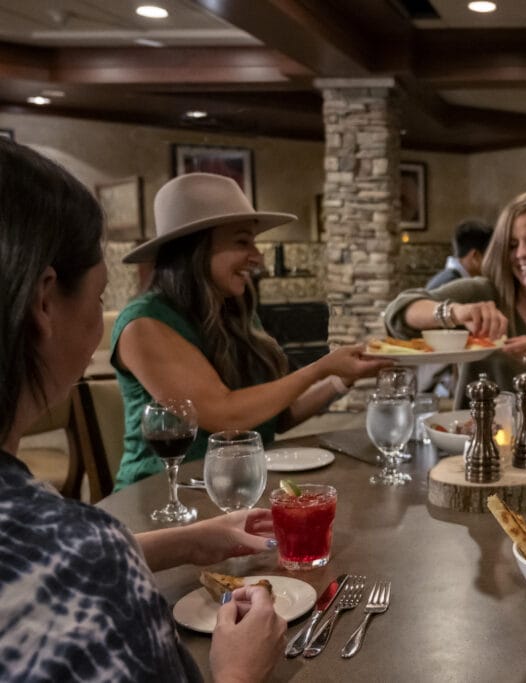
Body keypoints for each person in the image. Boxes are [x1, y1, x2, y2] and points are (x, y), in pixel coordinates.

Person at [0, 138, 284, 682]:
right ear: (43, 302)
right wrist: (240, 672)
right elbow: (222, 414)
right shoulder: (86, 558)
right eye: (100, 291)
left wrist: (186, 541)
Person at [113, 173, 390, 488]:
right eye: (243, 242)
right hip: (166, 495)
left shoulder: (234, 312)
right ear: (195, 249)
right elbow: (225, 415)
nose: (258, 257)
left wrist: (343, 378)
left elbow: (279, 417)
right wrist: (320, 367)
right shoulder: (144, 323)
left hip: (238, 487)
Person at [384, 191, 526, 406]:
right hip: (476, 445)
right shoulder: (483, 293)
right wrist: (455, 312)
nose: (522, 253)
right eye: (511, 245)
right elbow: (397, 314)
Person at [426, 218, 493, 289]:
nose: (494, 264)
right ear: (475, 256)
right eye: (491, 257)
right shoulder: (451, 284)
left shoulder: (452, 278)